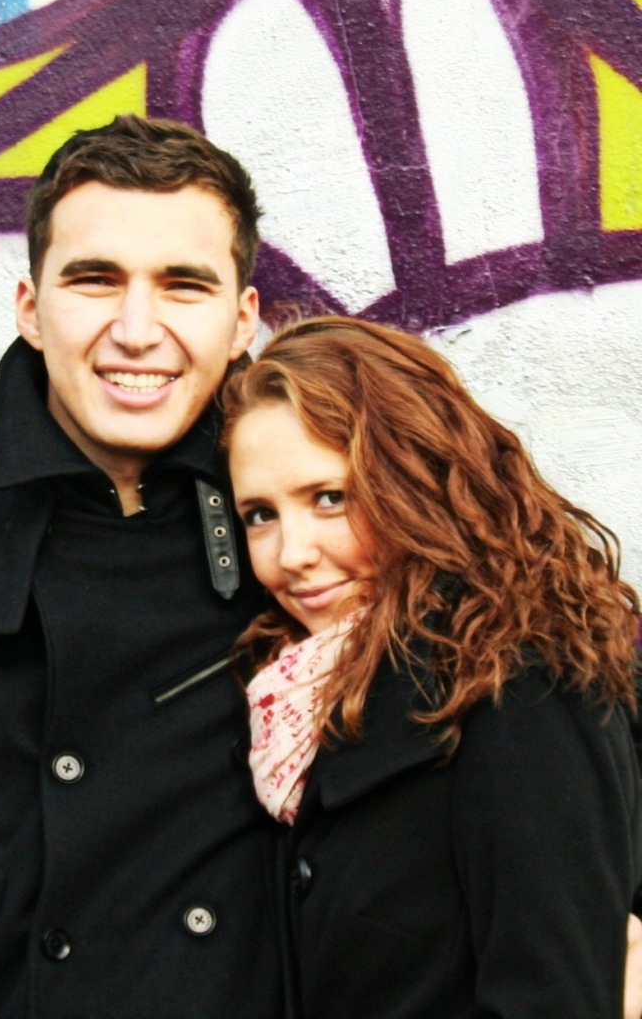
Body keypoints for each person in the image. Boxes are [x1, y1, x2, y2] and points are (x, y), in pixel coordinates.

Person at [0, 115, 283, 1018]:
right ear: (30, 310)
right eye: (94, 280)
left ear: (242, 319)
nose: (136, 330)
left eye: (183, 285)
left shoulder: (310, 547)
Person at [222, 314, 642, 1018]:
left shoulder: (523, 688)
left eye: (330, 498)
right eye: (260, 514)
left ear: (419, 483)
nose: (291, 554)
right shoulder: (300, 696)